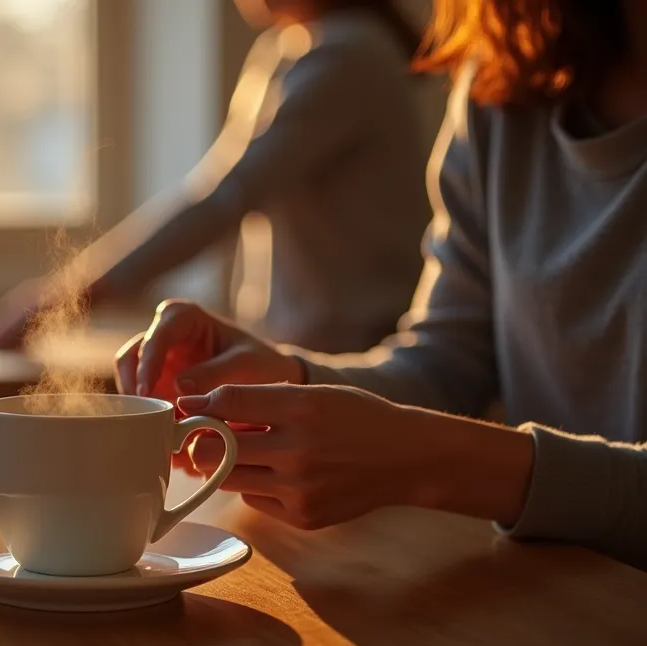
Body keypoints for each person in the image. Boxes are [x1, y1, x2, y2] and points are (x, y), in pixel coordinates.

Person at [114, 0, 647, 569]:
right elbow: (448, 364)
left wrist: (430, 458)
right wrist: (295, 378)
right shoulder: (504, 88)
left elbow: (224, 194)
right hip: (553, 592)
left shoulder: (352, 54)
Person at [0, 0, 437, 355]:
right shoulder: (291, 47)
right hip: (306, 345)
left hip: (350, 351)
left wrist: (62, 302)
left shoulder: (348, 55)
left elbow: (223, 198)